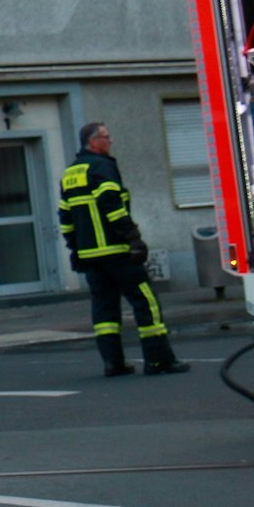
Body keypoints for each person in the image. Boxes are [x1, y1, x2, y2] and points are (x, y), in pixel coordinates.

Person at [59, 122, 189, 376]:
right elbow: (112, 206)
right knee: (146, 301)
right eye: (106, 137)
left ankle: (113, 363)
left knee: (104, 309)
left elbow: (65, 217)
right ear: (93, 142)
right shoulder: (102, 166)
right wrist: (133, 238)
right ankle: (158, 360)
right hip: (116, 251)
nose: (111, 141)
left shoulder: (70, 172)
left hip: (90, 256)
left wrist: (75, 249)